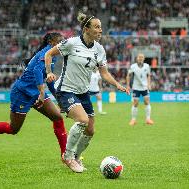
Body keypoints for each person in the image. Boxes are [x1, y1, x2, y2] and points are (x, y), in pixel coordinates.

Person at [45, 12, 129, 173]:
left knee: (90, 129)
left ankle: (76, 156)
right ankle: (68, 157)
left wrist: (117, 84)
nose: (100, 30)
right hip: (66, 90)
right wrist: (49, 72)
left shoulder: (99, 49)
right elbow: (49, 54)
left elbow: (104, 73)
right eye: (97, 27)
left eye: (101, 27)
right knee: (83, 120)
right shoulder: (71, 43)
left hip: (83, 93)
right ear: (86, 29)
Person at [0, 33, 68, 157]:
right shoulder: (46, 53)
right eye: (60, 41)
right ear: (52, 42)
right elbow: (37, 70)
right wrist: (42, 93)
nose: (63, 44)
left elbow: (48, 79)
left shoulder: (52, 56)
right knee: (13, 129)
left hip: (36, 92)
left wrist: (57, 97)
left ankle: (66, 155)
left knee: (57, 118)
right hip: (22, 93)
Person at [126, 53, 154, 126]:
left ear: (144, 58)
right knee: (135, 103)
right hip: (136, 87)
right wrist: (128, 85)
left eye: (142, 57)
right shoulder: (133, 66)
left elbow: (148, 76)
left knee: (147, 102)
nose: (140, 58)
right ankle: (133, 120)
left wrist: (149, 84)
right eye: (139, 57)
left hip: (145, 87)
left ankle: (148, 119)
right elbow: (128, 76)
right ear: (137, 58)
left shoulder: (147, 66)